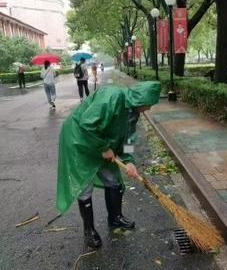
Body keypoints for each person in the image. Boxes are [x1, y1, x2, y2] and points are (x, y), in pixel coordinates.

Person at [56, 81, 161, 249]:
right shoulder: (111, 96)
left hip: (102, 144)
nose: (148, 109)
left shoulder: (134, 113)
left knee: (114, 181)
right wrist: (104, 148)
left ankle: (115, 217)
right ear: (141, 99)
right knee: (84, 186)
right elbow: (87, 124)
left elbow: (128, 140)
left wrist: (129, 161)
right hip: (79, 142)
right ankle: (88, 230)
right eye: (148, 104)